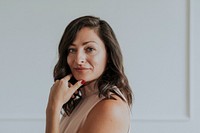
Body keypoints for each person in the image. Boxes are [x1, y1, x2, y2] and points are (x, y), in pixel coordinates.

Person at [46, 15, 133, 133]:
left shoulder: (109, 108)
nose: (78, 59)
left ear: (108, 55)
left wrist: (53, 108)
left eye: (90, 49)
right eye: (72, 50)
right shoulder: (80, 102)